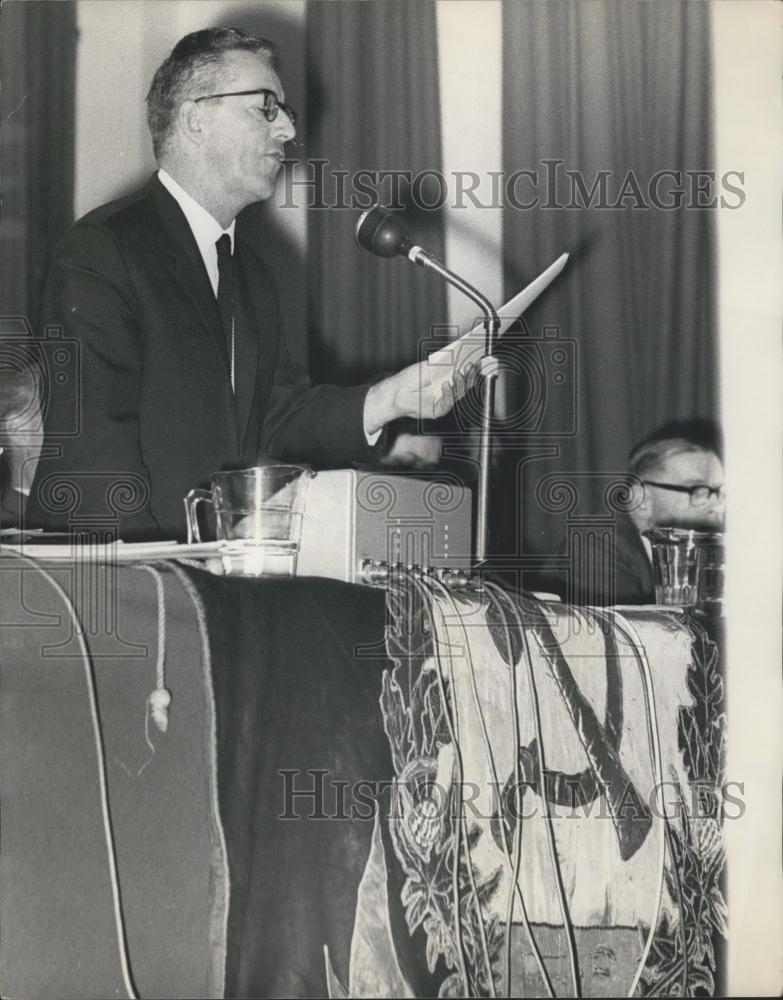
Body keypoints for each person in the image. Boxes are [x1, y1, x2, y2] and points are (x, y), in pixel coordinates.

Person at [25, 28, 472, 541]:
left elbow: (276, 418)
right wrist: (176, 584)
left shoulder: (252, 274)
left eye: (285, 112)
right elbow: (95, 460)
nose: (286, 130)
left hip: (210, 569)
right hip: (120, 578)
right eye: (265, 108)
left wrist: (391, 398)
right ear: (195, 119)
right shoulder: (105, 250)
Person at [540, 419, 726, 605]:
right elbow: (636, 630)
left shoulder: (705, 546)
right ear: (641, 499)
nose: (718, 506)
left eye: (722, 493)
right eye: (698, 491)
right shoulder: (593, 545)